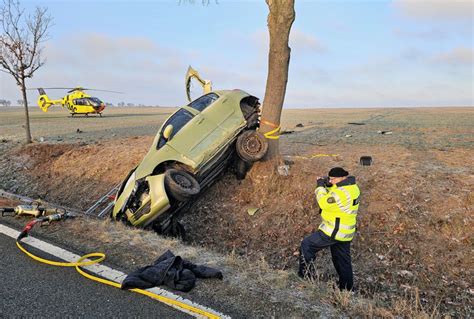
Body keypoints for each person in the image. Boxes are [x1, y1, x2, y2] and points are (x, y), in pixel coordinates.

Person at [298, 167, 360, 291]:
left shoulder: (341, 193)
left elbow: (324, 202)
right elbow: (336, 192)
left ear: (343, 177)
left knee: (307, 245)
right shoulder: (353, 187)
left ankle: (305, 277)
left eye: (333, 179)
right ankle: (347, 289)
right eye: (329, 179)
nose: (331, 181)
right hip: (346, 232)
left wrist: (320, 187)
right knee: (342, 261)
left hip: (333, 231)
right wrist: (328, 184)